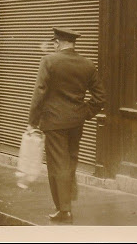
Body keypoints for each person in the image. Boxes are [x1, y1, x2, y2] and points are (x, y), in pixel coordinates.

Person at [27, 27, 106, 225]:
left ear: (58, 43)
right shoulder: (87, 64)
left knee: (57, 165)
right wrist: (85, 113)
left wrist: (32, 122)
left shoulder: (49, 61)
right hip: (76, 123)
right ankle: (66, 204)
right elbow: (100, 98)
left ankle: (64, 210)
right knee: (70, 162)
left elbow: (39, 93)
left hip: (54, 123)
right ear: (73, 43)